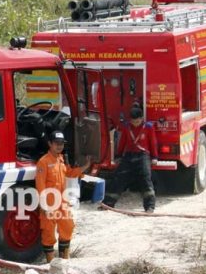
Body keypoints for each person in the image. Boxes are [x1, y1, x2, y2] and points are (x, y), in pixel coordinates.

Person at [35, 131, 91, 262]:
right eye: (56, 143)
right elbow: (40, 185)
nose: (59, 146)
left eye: (61, 144)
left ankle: (63, 262)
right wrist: (43, 204)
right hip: (49, 205)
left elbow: (70, 173)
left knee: (68, 227)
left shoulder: (61, 160)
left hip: (62, 203)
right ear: (50, 144)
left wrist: (85, 167)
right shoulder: (43, 162)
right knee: (48, 233)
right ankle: (51, 265)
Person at [102, 105, 158, 212]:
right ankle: (108, 203)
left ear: (142, 119)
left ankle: (149, 206)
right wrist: (118, 155)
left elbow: (153, 142)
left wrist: (154, 157)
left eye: (137, 121)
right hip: (129, 155)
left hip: (143, 155)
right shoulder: (127, 127)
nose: (135, 123)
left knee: (145, 179)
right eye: (133, 121)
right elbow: (122, 141)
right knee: (118, 178)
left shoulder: (148, 127)